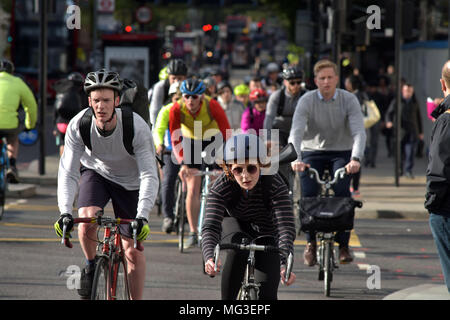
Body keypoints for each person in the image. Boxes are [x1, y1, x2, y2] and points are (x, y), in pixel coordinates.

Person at [54, 69, 159, 300]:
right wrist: (64, 212)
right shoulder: (78, 124)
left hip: (131, 182)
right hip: (97, 172)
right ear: (89, 101)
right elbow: (68, 172)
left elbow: (150, 175)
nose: (101, 106)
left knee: (131, 249)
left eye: (107, 100)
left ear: (117, 101)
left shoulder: (136, 127)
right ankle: (91, 266)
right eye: (96, 100)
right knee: (86, 220)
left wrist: (142, 216)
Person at [289, 59, 366, 266]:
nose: (326, 82)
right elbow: (295, 132)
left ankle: (343, 245)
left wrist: (355, 159)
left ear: (337, 79)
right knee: (309, 194)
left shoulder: (348, 99)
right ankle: (311, 244)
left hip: (341, 151)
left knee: (342, 193)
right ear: (315, 81)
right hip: (311, 151)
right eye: (322, 78)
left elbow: (359, 131)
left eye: (330, 77)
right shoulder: (306, 100)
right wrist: (295, 158)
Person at [202, 133, 296, 299]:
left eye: (251, 168)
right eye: (238, 170)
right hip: (235, 224)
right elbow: (210, 226)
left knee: (267, 293)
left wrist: (284, 264)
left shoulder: (274, 183)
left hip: (267, 228)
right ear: (229, 170)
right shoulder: (221, 187)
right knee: (238, 247)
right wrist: (210, 257)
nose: (245, 176)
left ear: (261, 165)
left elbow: (285, 227)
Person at [169, 78, 230, 248]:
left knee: (215, 184)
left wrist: (224, 164)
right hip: (191, 141)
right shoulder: (176, 109)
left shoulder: (212, 105)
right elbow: (175, 138)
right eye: (186, 96)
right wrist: (183, 164)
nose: (190, 100)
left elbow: (227, 133)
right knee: (192, 186)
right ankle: (193, 231)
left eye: (194, 97)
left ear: (201, 97)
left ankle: (214, 226)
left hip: (214, 138)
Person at [425, 60, 450, 292]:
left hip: (446, 208)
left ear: (443, 84)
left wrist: (432, 202)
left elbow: (438, 169)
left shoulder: (446, 120)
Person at [264, 66, 307, 193]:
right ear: (285, 82)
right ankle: (281, 188)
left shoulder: (306, 95)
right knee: (279, 159)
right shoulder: (277, 96)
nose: (296, 86)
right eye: (292, 83)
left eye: (299, 82)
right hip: (280, 131)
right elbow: (268, 119)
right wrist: (267, 140)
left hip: (300, 132)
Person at [0, 58, 37, 184]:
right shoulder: (17, 82)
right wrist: (29, 125)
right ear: (11, 72)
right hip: (10, 124)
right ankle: (12, 165)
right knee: (13, 139)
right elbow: (31, 105)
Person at [153, 82, 182, 233]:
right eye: (177, 98)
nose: (180, 101)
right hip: (171, 151)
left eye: (183, 97)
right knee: (168, 180)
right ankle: (168, 217)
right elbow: (158, 130)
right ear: (171, 98)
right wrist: (159, 144)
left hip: (190, 152)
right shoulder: (166, 110)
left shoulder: (192, 111)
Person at [385, 83, 423, 179]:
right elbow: (389, 113)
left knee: (410, 152)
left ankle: (408, 171)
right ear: (402, 91)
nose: (408, 93)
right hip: (400, 131)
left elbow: (419, 118)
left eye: (410, 91)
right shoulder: (397, 101)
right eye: (406, 91)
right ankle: (400, 169)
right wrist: (388, 121)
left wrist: (420, 132)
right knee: (400, 153)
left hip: (412, 131)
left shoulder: (414, 102)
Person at [344, 74, 370, 196]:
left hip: (354, 131)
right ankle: (355, 187)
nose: (345, 84)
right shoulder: (363, 94)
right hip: (363, 129)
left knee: (353, 159)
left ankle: (353, 187)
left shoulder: (353, 97)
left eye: (347, 82)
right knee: (357, 159)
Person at [52, 72, 88, 156]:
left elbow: (55, 110)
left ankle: (62, 164)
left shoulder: (61, 91)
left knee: (62, 144)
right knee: (76, 146)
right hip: (74, 124)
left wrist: (55, 126)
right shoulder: (82, 94)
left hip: (61, 124)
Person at [149, 59, 187, 126]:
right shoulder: (160, 87)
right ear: (168, 77)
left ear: (185, 78)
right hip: (160, 115)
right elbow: (154, 112)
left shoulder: (189, 86)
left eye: (180, 78)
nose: (176, 81)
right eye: (173, 78)